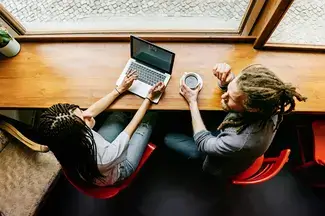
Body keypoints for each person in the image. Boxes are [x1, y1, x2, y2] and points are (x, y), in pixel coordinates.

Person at [164, 63, 307, 177]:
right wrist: (227, 80)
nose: (223, 96)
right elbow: (241, 92)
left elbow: (203, 142)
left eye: (230, 97)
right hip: (235, 147)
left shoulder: (238, 142)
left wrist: (192, 102)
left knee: (168, 138)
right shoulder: (269, 104)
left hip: (218, 163)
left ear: (251, 108)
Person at [39, 70, 165, 186]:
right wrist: (149, 98)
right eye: (84, 118)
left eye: (81, 111)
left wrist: (120, 89)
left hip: (97, 156)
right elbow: (131, 128)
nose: (87, 114)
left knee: (119, 113)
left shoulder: (65, 140)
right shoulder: (104, 159)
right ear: (80, 134)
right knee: (147, 120)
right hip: (119, 168)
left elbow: (91, 111)